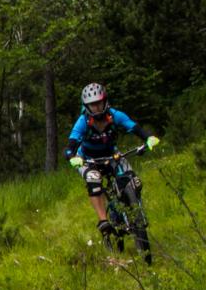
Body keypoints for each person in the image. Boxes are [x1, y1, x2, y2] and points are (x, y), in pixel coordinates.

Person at [64, 83, 160, 237]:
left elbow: (134, 127)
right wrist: (72, 157)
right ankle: (103, 221)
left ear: (105, 101)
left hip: (112, 154)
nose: (97, 108)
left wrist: (148, 138)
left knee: (134, 181)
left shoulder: (115, 115)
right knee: (93, 179)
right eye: (92, 105)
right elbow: (70, 146)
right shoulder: (83, 122)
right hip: (88, 159)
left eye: (99, 103)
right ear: (86, 106)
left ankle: (133, 206)